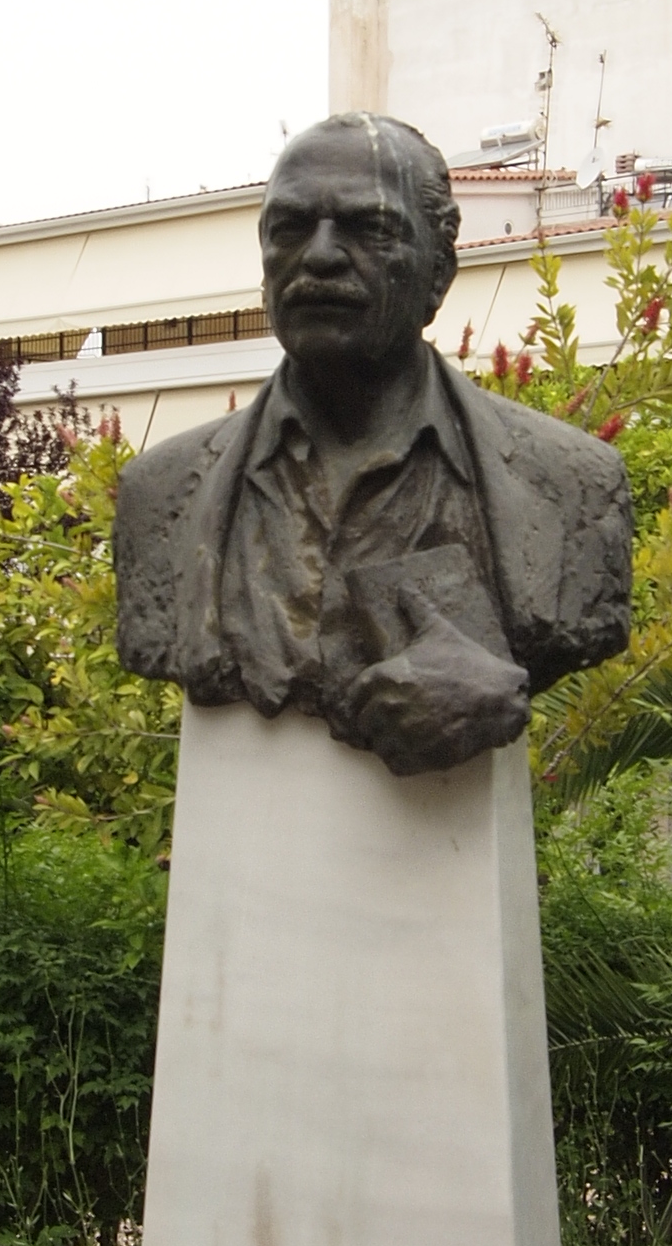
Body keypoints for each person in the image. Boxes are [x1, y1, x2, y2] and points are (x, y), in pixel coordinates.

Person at [113, 114, 633, 777]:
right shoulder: (160, 494)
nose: (321, 255)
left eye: (370, 228)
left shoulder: (572, 485)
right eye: (290, 227)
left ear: (439, 270)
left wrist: (508, 682)